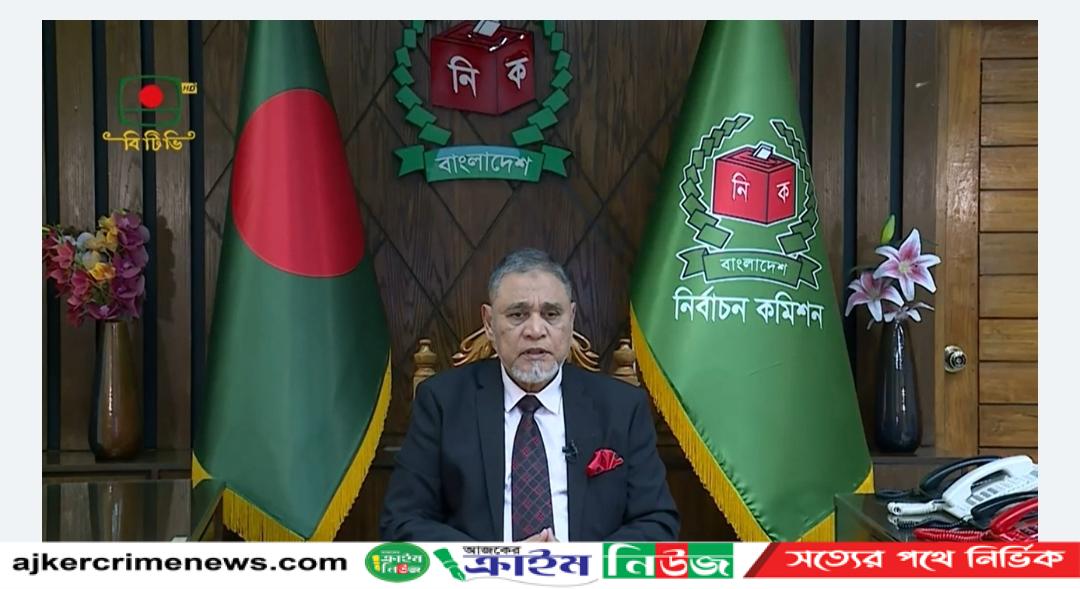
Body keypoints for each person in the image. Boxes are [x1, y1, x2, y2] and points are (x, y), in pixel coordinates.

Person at [380, 248, 679, 541]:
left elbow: (657, 523)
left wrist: (578, 563)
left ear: (571, 319)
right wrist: (504, 561)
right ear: (489, 323)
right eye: (517, 314)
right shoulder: (442, 403)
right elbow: (402, 521)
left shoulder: (621, 407)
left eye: (551, 314)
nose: (535, 330)